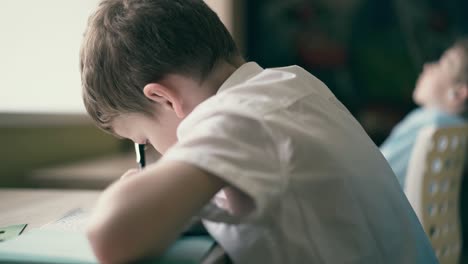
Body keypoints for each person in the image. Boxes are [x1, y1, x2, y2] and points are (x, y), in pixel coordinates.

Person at [80, 0, 437, 263]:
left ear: (164, 98)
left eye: (144, 144)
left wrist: (136, 187)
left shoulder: (239, 116)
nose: (152, 157)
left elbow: (109, 237)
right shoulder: (293, 83)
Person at [380, 39, 468, 189]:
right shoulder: (458, 130)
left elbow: (373, 172)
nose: (428, 67)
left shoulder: (429, 122)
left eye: (441, 65)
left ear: (458, 94)